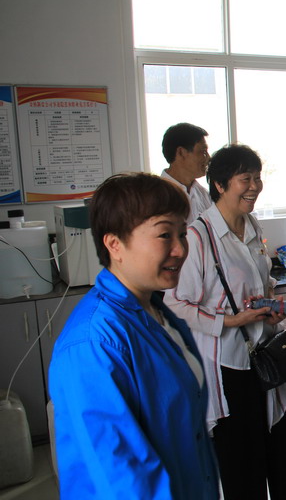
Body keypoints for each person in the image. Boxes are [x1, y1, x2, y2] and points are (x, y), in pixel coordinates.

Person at [48, 172, 219, 499]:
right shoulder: (94, 341)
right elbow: (121, 475)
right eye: (164, 235)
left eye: (182, 234)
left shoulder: (157, 312)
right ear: (115, 244)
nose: (180, 249)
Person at [165, 144, 286, 500]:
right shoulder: (198, 237)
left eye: (258, 177)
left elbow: (261, 283)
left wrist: (270, 305)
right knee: (243, 465)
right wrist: (229, 321)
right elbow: (174, 302)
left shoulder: (252, 226)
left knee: (283, 456)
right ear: (220, 184)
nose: (254, 186)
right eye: (245, 179)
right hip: (229, 366)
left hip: (268, 357)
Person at [161, 122, 212, 223]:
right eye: (203, 151)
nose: (208, 158)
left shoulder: (204, 194)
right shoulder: (157, 196)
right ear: (181, 152)